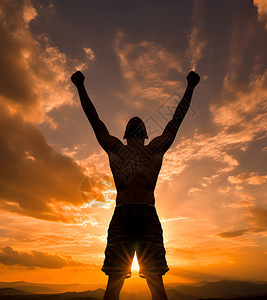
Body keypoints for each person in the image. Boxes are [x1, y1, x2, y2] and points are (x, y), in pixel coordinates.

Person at [71, 70, 200, 300]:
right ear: (127, 132)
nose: (136, 119)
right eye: (133, 121)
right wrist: (80, 86)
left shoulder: (155, 149)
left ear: (144, 133)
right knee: (115, 277)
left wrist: (191, 86)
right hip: (122, 214)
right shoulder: (116, 149)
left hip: (147, 215)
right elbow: (95, 120)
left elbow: (176, 120)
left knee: (154, 278)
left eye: (138, 121)